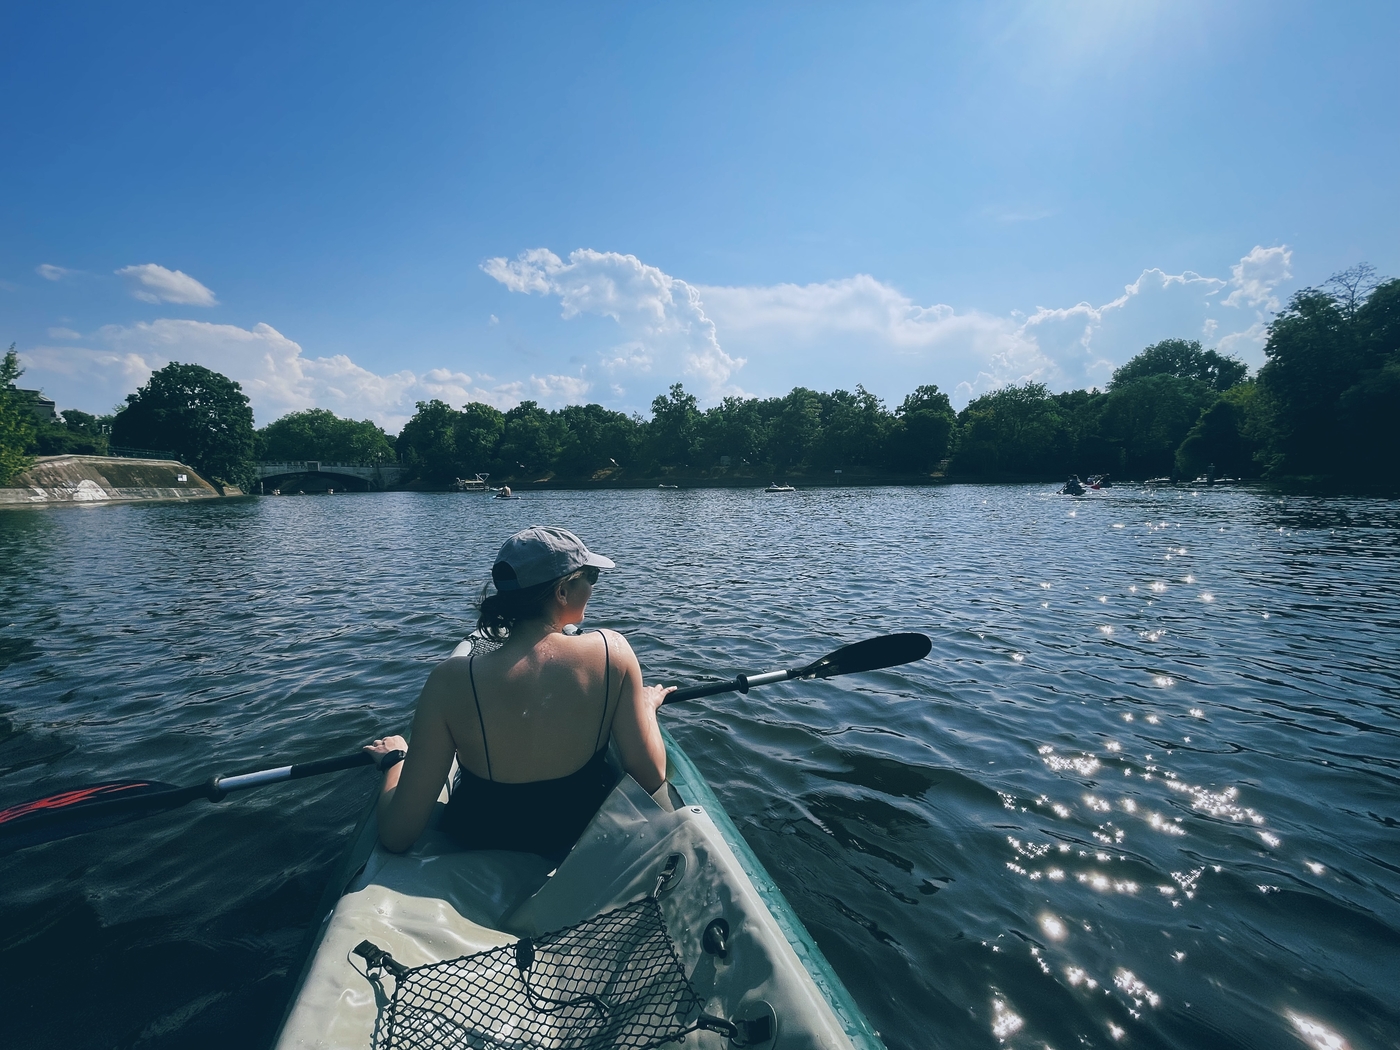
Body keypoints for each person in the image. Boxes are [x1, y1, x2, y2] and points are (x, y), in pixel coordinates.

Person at [364, 526, 674, 861]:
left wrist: (395, 760)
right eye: (593, 576)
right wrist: (644, 707)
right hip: (578, 841)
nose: (594, 587)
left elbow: (397, 834)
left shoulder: (449, 681)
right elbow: (651, 774)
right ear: (562, 592)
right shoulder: (613, 652)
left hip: (477, 845)